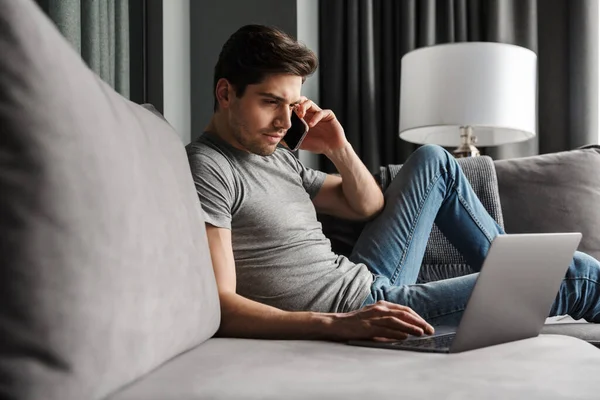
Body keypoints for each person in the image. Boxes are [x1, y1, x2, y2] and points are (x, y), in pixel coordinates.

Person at [186, 24, 600, 342]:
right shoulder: (210, 168)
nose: (284, 121)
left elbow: (365, 207)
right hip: (359, 308)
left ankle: (505, 282)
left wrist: (338, 147)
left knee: (434, 160)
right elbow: (223, 305)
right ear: (226, 93)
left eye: (292, 106)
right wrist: (340, 324)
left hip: (366, 279)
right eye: (270, 102)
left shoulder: (275, 156)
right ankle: (510, 290)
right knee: (572, 274)